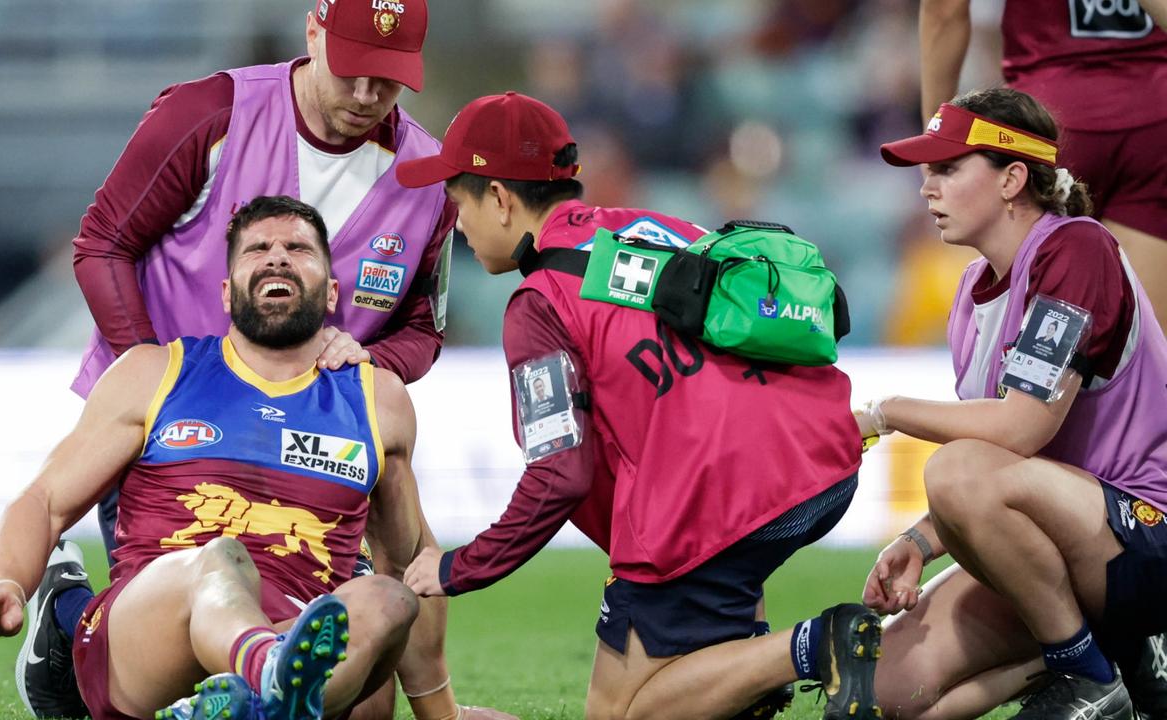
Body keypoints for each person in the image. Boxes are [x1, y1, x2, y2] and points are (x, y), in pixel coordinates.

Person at [393, 92, 882, 720]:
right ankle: (746, 674)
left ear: (500, 199)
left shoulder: (539, 305)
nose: (456, 224)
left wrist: (461, 566)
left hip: (716, 499)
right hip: (821, 458)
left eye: (458, 202)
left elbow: (559, 474)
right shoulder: (656, 226)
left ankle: (816, 647)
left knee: (624, 713)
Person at [0, 197, 505, 720]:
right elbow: (44, 500)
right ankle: (270, 680)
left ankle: (252, 702)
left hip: (296, 619)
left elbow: (410, 561)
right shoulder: (156, 372)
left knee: (388, 597)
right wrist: (3, 583)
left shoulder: (376, 399)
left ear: (333, 293)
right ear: (226, 291)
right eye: (258, 250)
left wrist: (444, 713)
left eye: (299, 249)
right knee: (219, 560)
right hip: (156, 630)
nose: (278, 258)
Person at [72, 0, 455, 565]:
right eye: (353, 69)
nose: (367, 95)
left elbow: (423, 329)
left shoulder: (427, 178)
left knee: (333, 640)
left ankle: (64, 610)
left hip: (315, 453)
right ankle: (65, 611)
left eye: (390, 79)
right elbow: (104, 243)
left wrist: (374, 360)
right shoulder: (211, 114)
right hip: (166, 439)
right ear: (313, 32)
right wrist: (153, 381)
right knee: (179, 634)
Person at [860, 88, 1167, 720]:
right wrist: (921, 539)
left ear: (1013, 178)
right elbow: (1007, 470)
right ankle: (1110, 664)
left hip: (1148, 534)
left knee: (953, 466)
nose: (927, 189)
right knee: (891, 694)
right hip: (1073, 540)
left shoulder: (1076, 249)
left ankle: (1086, 676)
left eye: (947, 169)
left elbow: (1021, 429)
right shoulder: (972, 289)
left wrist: (883, 413)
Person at [919, 0, 1167, 341]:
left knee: (1032, 356)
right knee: (1143, 347)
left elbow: (943, 10)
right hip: (1155, 119)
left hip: (1047, 123)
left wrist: (937, 136)